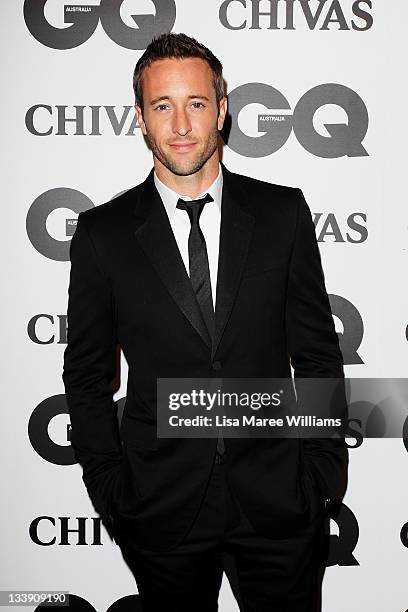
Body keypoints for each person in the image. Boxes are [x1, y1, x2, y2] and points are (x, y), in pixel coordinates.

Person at [62, 32, 348, 612]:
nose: (182, 124)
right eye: (162, 106)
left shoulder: (282, 214)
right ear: (140, 118)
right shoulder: (103, 235)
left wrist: (321, 474)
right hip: (160, 508)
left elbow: (317, 354)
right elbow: (88, 377)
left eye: (195, 103)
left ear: (220, 109)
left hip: (279, 505)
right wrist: (111, 491)